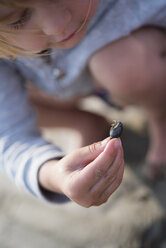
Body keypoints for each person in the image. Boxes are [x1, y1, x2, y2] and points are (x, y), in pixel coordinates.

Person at [0, 0, 165, 207]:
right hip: (59, 88)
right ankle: (84, 123)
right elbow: (10, 133)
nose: (57, 25)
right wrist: (56, 175)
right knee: (9, 99)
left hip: (129, 59)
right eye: (19, 19)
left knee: (123, 68)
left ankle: (160, 120)